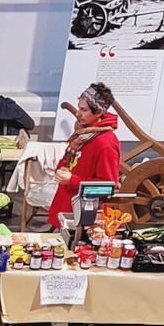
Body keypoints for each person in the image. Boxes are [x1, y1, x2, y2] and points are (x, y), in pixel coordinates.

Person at [47, 82, 122, 229]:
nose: (77, 114)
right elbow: (70, 161)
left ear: (99, 112)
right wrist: (63, 168)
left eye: (84, 110)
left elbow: (107, 187)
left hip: (83, 216)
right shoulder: (83, 134)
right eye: (79, 108)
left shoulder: (105, 143)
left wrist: (72, 180)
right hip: (65, 207)